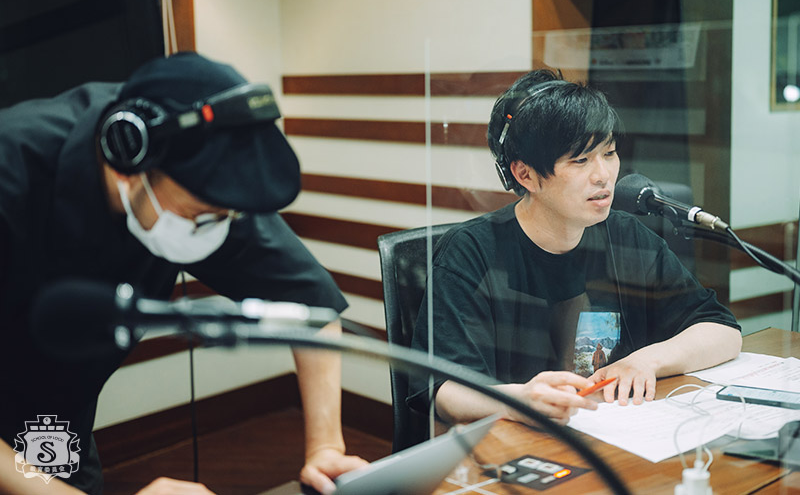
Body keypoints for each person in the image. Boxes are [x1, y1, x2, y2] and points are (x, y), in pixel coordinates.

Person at [0, 52, 366, 495]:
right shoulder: (12, 169)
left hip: (54, 417)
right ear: (127, 162)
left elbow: (311, 307)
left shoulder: (206, 195)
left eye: (226, 216)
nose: (218, 227)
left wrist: (325, 447)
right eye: (201, 214)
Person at [408, 69, 742, 427]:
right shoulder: (471, 253)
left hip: (611, 433)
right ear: (524, 175)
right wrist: (518, 401)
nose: (603, 175)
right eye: (580, 160)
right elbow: (441, 390)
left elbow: (722, 330)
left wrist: (647, 360)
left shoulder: (627, 236)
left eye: (609, 153)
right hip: (515, 443)